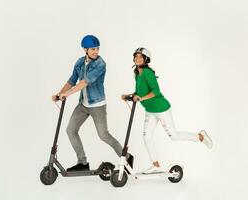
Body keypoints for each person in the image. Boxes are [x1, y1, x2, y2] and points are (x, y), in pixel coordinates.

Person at [121, 47, 213, 174]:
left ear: (146, 59)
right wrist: (129, 95)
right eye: (135, 56)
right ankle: (156, 165)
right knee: (146, 137)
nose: (137, 59)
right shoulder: (137, 73)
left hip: (161, 109)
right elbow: (139, 91)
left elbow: (155, 91)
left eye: (140, 57)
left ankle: (200, 136)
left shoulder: (148, 73)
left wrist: (140, 97)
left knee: (174, 136)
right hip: (150, 110)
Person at [52, 35, 133, 171]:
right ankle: (83, 163)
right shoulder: (79, 62)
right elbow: (72, 80)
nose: (96, 51)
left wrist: (67, 94)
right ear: (85, 49)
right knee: (71, 130)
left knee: (104, 135)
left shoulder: (100, 64)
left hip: (97, 105)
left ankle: (127, 157)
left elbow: (84, 83)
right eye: (92, 49)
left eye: (97, 48)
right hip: (83, 105)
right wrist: (60, 93)